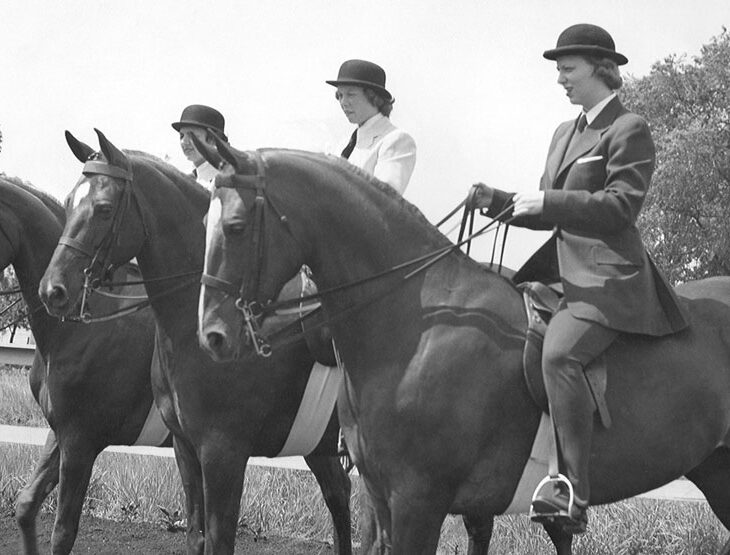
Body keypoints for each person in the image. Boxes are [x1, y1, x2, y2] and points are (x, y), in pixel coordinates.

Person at [468, 23, 689, 532]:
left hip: (610, 278)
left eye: (568, 69)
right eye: (559, 71)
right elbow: (547, 210)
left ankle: (571, 494)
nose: (560, 79)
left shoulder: (629, 128)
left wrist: (548, 201)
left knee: (562, 352)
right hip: (561, 274)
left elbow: (619, 208)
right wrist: (499, 203)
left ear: (600, 68)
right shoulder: (564, 133)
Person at [326, 59, 417, 194]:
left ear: (373, 97)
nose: (343, 102)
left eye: (351, 94)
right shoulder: (342, 145)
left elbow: (384, 198)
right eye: (339, 96)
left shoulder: (395, 140)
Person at [171, 104, 228, 191]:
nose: (184, 142)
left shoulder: (224, 183)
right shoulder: (180, 179)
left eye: (192, 136)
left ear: (212, 140)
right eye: (181, 136)